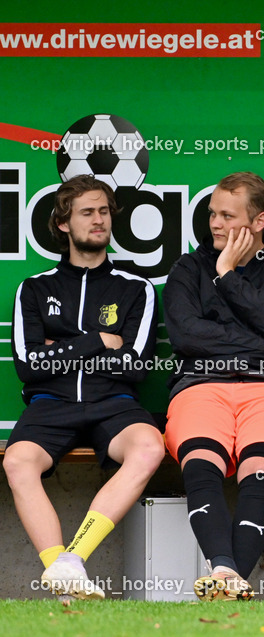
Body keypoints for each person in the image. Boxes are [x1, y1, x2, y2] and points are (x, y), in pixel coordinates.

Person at [4, 174, 163, 601]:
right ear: (63, 223)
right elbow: (29, 366)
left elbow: (135, 365)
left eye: (104, 212)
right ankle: (62, 569)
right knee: (17, 461)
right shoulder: (34, 288)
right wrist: (98, 341)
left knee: (149, 446)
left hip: (114, 402)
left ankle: (72, 560)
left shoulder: (137, 288)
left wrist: (59, 350)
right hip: (50, 403)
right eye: (87, 212)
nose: (99, 220)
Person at [163, 172, 264, 601]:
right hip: (201, 383)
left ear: (258, 220)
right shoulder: (188, 267)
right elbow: (187, 336)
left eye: (227, 216)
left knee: (260, 467)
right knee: (200, 461)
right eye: (212, 213)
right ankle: (227, 572)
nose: (215, 223)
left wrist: (227, 275)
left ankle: (228, 576)